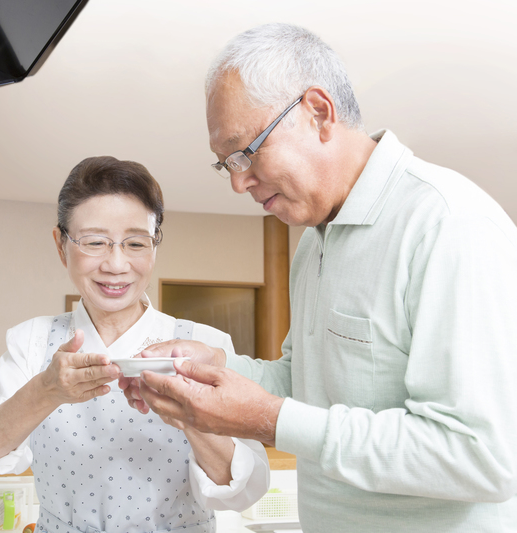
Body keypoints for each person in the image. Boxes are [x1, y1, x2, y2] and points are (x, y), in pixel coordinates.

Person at [121, 23, 517, 532]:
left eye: (246, 152)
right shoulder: (314, 242)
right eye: (226, 165)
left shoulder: (448, 224)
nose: (239, 182)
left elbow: (482, 457)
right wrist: (217, 367)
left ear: (318, 113)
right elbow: (307, 384)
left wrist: (269, 420)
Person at [0, 156, 269, 533]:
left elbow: (244, 491)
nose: (116, 265)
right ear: (61, 245)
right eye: (95, 242)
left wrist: (191, 417)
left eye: (135, 243)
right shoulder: (32, 341)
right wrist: (46, 390)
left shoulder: (204, 345)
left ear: (155, 245)